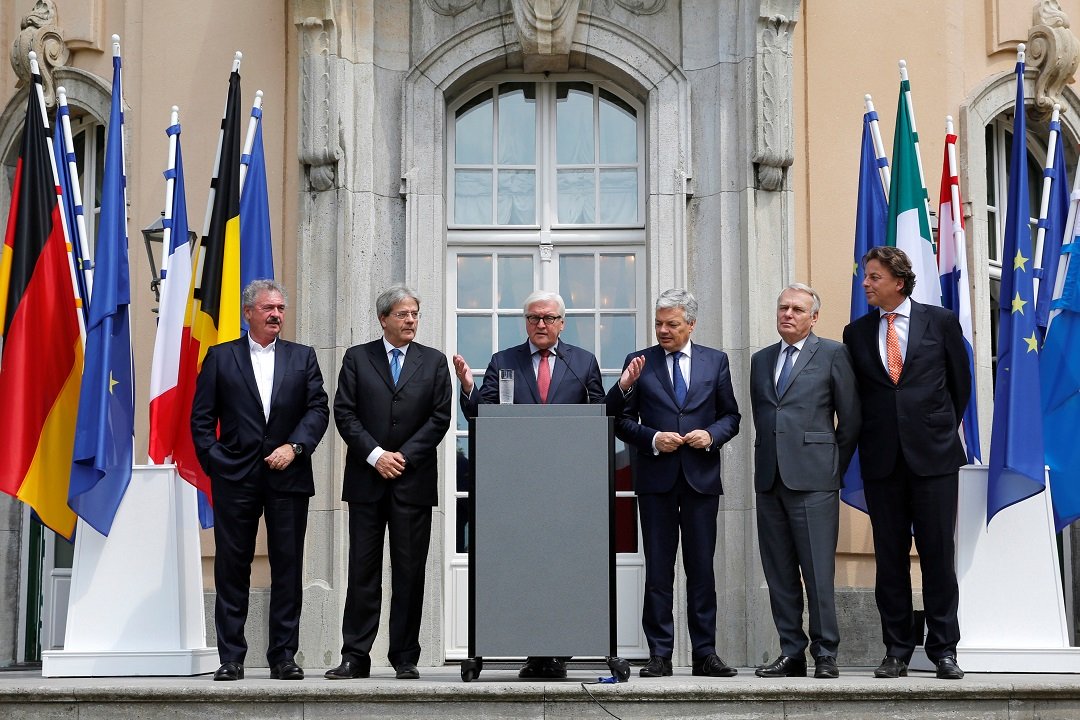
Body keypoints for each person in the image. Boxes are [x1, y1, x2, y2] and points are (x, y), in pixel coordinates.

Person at [452, 289, 604, 679]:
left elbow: (600, 417)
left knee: (563, 567)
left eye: (548, 318)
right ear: (525, 322)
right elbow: (481, 414)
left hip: (568, 488)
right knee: (524, 566)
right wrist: (468, 388)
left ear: (561, 323)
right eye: (534, 318)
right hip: (516, 488)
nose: (541, 324)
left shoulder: (582, 363)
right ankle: (533, 650)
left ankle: (558, 650)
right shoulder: (505, 361)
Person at [191, 279, 330, 682]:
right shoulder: (221, 358)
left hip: (288, 476)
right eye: (269, 308)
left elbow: (318, 410)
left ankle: (283, 656)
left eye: (281, 309)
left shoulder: (302, 357)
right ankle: (231, 657)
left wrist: (296, 448)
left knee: (288, 567)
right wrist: (219, 462)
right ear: (248, 312)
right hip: (235, 478)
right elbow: (201, 421)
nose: (276, 315)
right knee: (232, 567)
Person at [843, 246, 971, 681]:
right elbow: (858, 396)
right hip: (882, 461)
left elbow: (960, 386)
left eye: (873, 277)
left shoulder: (940, 321)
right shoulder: (855, 333)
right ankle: (896, 649)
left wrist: (932, 429)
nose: (865, 283)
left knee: (938, 555)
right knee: (891, 559)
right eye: (865, 275)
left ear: (898, 281)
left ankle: (944, 650)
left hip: (933, 458)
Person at [607, 288, 741, 678]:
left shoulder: (715, 361)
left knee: (701, 570)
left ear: (691, 325)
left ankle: (705, 654)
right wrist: (651, 437)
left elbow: (730, 415)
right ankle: (660, 654)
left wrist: (711, 435)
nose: (663, 330)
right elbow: (619, 420)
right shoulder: (639, 362)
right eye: (659, 323)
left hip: (700, 480)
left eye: (672, 324)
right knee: (659, 571)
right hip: (656, 480)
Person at [325, 286, 452, 681]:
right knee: (363, 570)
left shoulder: (433, 362)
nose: (410, 320)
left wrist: (404, 456)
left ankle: (404, 656)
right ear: (384, 319)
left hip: (412, 482)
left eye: (414, 313)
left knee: (410, 571)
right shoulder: (357, 358)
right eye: (402, 314)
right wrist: (376, 455)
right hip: (367, 481)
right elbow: (344, 413)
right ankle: (355, 656)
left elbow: (440, 417)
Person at [749, 284, 860, 679]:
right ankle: (791, 652)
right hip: (770, 480)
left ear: (814, 317)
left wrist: (831, 466)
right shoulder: (761, 360)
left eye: (797, 309)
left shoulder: (832, 353)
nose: (788, 314)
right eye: (783, 307)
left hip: (815, 481)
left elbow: (850, 421)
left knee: (817, 572)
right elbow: (765, 419)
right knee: (779, 573)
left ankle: (826, 653)